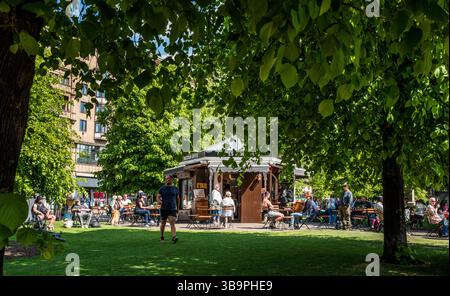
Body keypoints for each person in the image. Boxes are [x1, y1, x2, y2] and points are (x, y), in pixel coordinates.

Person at [157, 175, 180, 243]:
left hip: (172, 208)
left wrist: (177, 209)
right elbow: (158, 197)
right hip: (164, 208)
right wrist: (160, 201)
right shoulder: (162, 188)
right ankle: (161, 236)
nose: (167, 180)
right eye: (166, 179)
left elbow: (178, 199)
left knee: (172, 222)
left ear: (172, 179)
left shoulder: (175, 188)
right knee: (163, 223)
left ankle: (174, 236)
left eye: (169, 179)